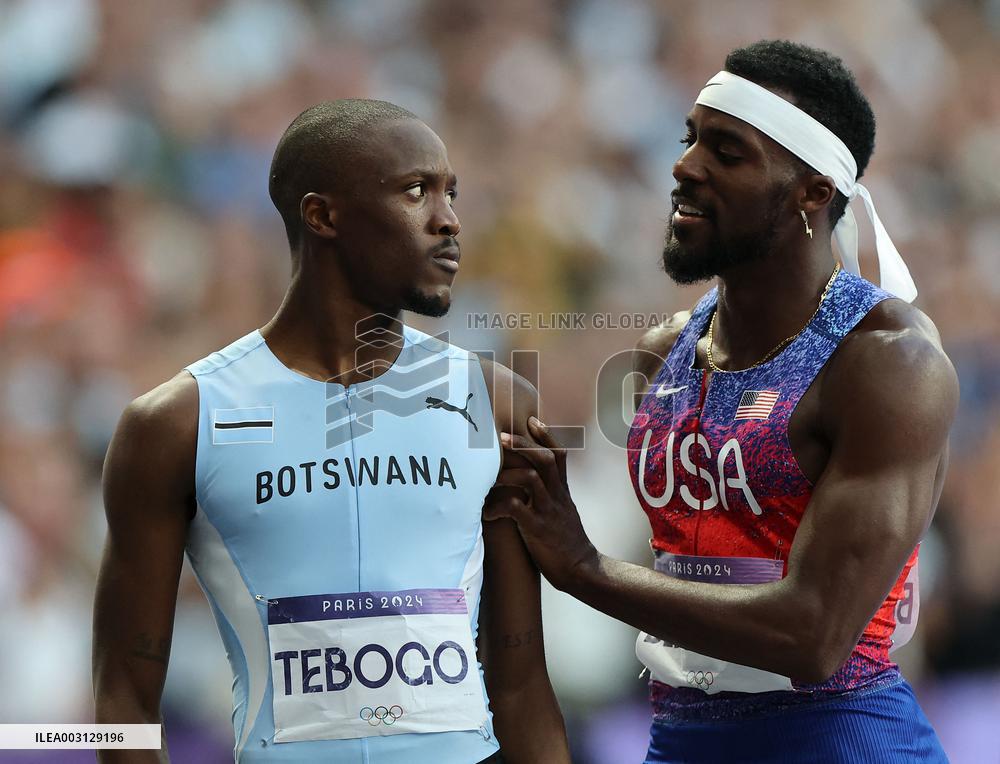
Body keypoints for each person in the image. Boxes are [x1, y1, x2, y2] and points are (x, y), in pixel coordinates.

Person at [486, 40, 956, 763]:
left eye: (727, 152)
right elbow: (680, 573)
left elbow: (813, 637)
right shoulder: (660, 353)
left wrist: (583, 567)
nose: (684, 166)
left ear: (813, 191)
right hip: (678, 736)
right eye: (690, 139)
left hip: (839, 739)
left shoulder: (888, 362)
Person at [93, 99, 570, 763]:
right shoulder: (174, 424)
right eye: (415, 191)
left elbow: (519, 684)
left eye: (450, 192)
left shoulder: (497, 404)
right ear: (322, 215)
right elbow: (122, 702)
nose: (449, 220)